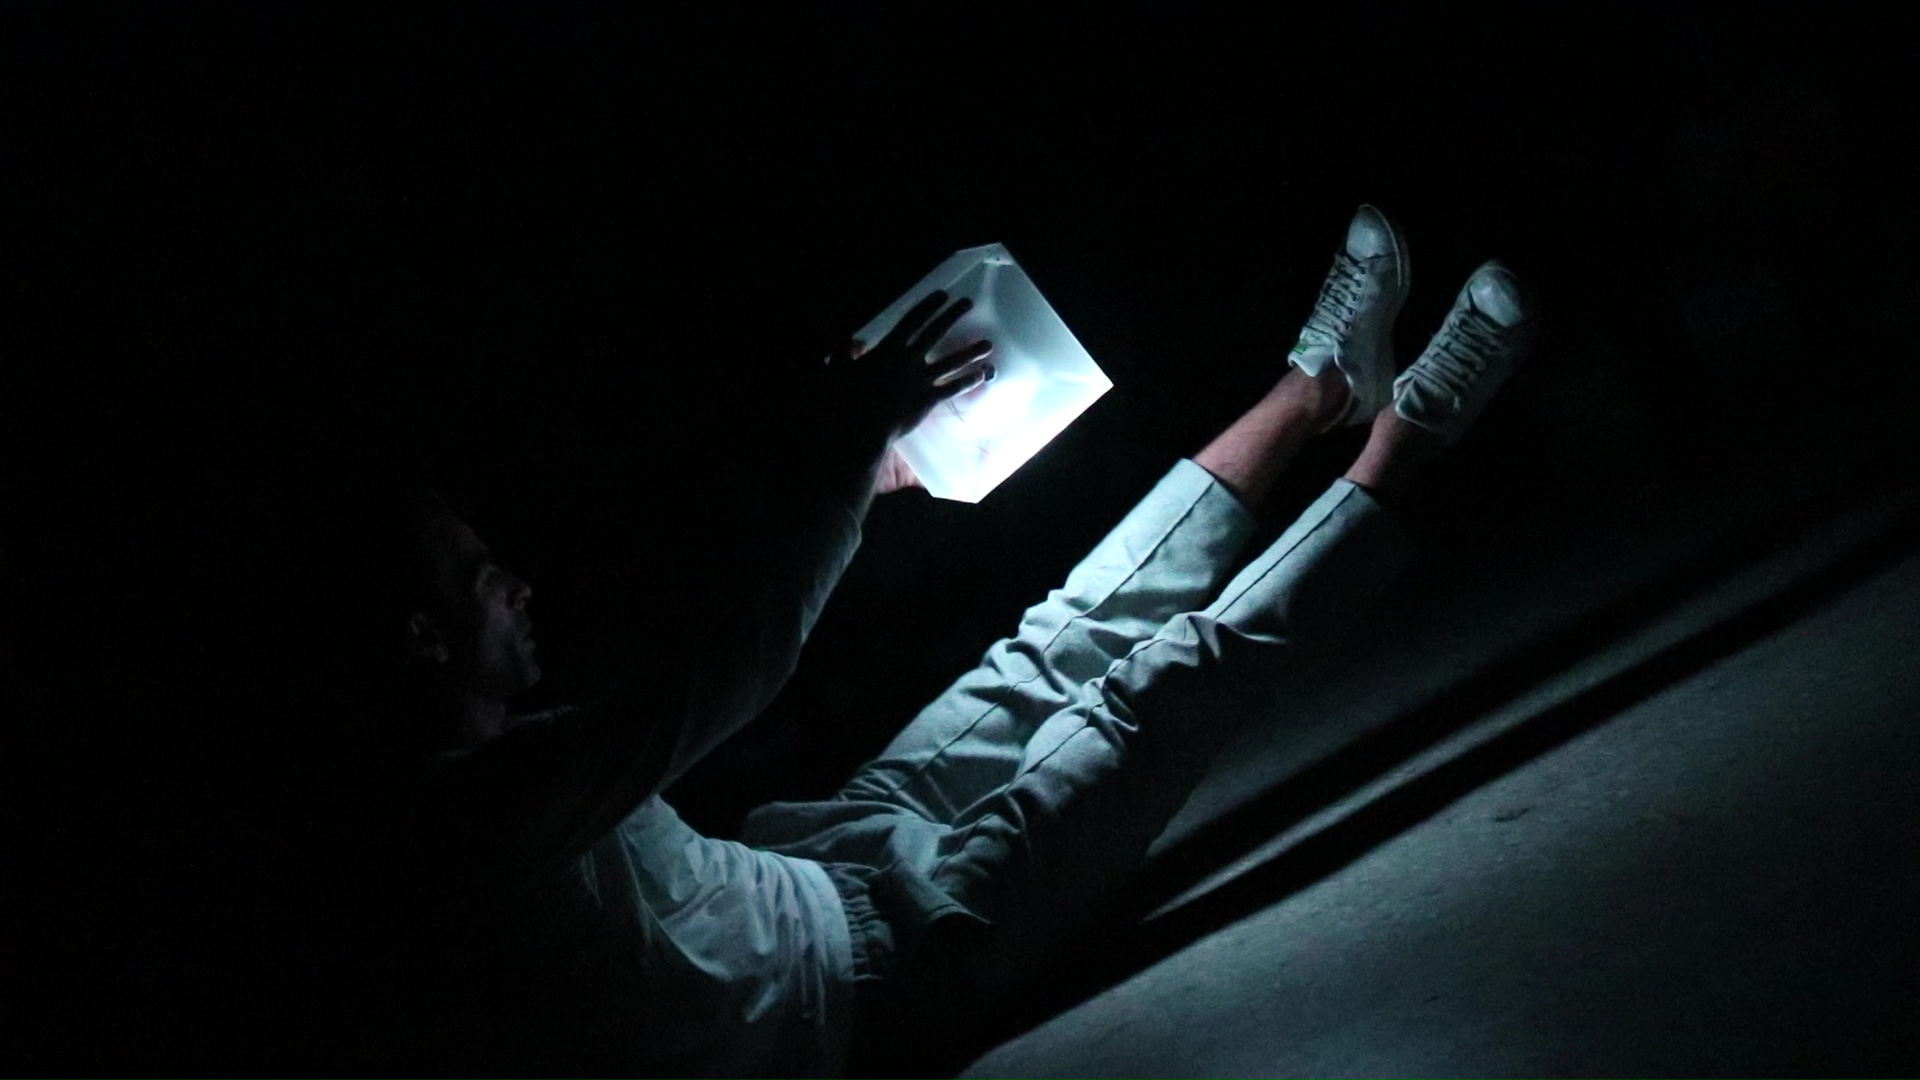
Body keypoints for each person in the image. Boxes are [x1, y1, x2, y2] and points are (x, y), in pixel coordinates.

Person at [381, 205, 1533, 1079]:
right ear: (424, 642)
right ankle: (1413, 431)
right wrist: (848, 456)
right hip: (882, 982)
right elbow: (737, 659)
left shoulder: (489, 752)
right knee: (1155, 695)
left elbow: (706, 636)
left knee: (1056, 639)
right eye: (483, 582)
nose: (517, 587)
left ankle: (1319, 383)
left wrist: (869, 468)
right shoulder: (470, 823)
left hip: (814, 859)